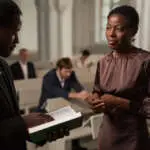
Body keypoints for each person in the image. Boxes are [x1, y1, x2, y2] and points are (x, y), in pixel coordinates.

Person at [0, 1, 68, 150]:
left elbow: (9, 121)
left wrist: (37, 133)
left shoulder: (4, 67)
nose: (17, 40)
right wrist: (23, 122)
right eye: (13, 31)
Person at [87, 5, 150, 150]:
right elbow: (97, 90)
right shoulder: (103, 62)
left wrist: (119, 102)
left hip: (133, 138)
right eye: (108, 28)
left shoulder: (145, 61)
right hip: (108, 136)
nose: (111, 34)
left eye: (119, 29)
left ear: (133, 31)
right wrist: (94, 99)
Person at [37, 57, 89, 150]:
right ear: (59, 69)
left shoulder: (71, 74)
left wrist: (84, 92)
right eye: (66, 71)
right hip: (47, 106)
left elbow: (77, 85)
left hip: (62, 104)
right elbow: (58, 92)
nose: (69, 74)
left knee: (75, 116)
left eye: (70, 71)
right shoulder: (48, 77)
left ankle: (75, 145)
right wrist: (78, 95)